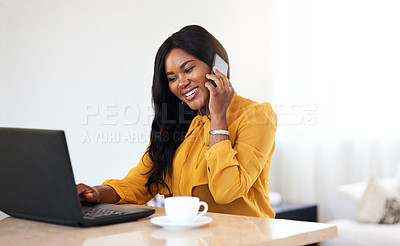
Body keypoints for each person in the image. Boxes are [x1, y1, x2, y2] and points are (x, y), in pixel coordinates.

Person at [77, 25, 277, 218]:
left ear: (217, 67)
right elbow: (139, 182)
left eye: (188, 69)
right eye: (172, 78)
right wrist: (96, 193)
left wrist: (218, 117)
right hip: (188, 237)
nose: (181, 83)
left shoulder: (257, 116)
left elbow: (226, 191)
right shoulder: (176, 123)